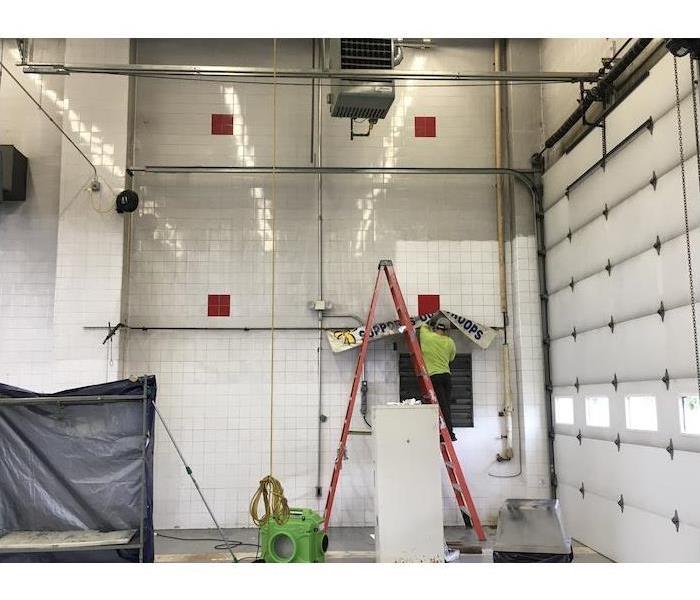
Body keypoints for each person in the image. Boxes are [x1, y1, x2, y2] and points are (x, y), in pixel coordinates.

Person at [418, 314, 457, 441]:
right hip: (446, 377)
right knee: (445, 406)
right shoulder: (450, 342)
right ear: (447, 330)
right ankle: (449, 433)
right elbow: (451, 358)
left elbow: (423, 324)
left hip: (433, 378)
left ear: (435, 327)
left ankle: (442, 434)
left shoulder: (426, 337)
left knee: (436, 407)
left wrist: (431, 320)